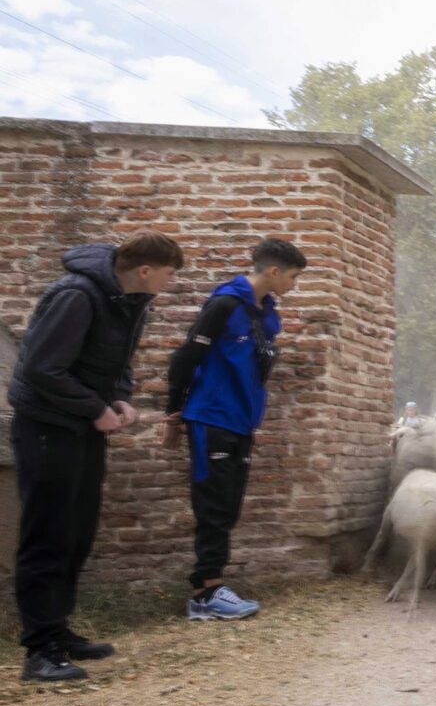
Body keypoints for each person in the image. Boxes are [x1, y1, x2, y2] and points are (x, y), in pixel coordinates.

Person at [8, 231, 183, 682]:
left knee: (77, 530)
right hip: (47, 425)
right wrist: (96, 409)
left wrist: (120, 398)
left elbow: (117, 364)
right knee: (48, 532)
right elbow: (41, 368)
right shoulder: (77, 296)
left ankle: (59, 631)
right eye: (168, 274)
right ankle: (40, 650)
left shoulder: (131, 300)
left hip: (83, 426)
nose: (170, 283)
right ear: (144, 270)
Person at [163, 237, 306, 621]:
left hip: (242, 419)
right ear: (273, 272)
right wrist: (173, 411)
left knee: (227, 505)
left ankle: (213, 586)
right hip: (211, 416)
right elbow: (186, 355)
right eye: (292, 277)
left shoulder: (264, 312)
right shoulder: (225, 304)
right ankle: (204, 593)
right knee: (212, 505)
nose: (294, 285)